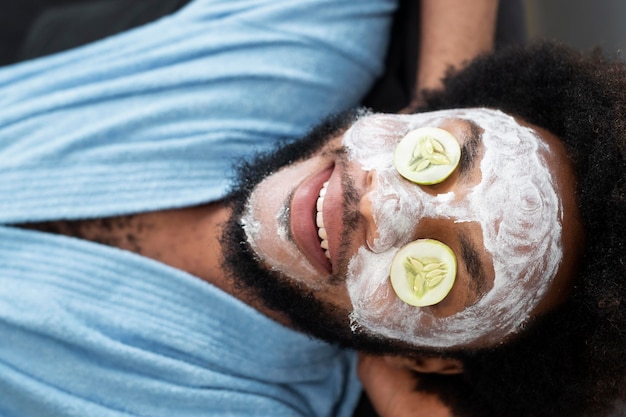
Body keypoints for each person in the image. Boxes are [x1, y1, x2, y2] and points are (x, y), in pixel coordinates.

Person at [2, 3, 624, 417]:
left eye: (438, 269)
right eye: (437, 156)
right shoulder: (294, 53)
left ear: (423, 356)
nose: (383, 202)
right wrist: (442, 83)